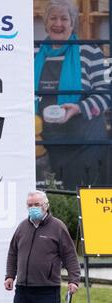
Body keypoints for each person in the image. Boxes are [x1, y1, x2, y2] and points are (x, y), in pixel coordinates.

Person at [35, 0, 111, 189]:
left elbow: (107, 93)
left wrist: (78, 108)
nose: (58, 24)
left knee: (80, 197)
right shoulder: (33, 52)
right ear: (45, 23)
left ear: (72, 23)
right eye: (53, 18)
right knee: (50, 198)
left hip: (84, 144)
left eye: (64, 18)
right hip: (44, 145)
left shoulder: (89, 51)